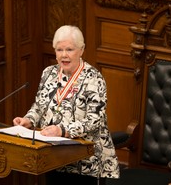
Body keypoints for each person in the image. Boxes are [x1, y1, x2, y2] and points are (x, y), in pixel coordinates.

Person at [13, 25, 119, 184]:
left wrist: (62, 130)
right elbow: (39, 106)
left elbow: (94, 121)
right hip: (52, 157)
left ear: (81, 50)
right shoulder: (49, 73)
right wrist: (28, 120)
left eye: (69, 49)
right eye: (59, 50)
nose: (64, 55)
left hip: (86, 162)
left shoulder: (93, 79)